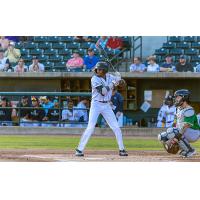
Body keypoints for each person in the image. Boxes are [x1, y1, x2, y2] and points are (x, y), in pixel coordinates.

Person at [75, 61, 128, 157]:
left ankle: (122, 149)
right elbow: (103, 91)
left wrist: (120, 80)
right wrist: (114, 82)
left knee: (116, 127)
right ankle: (79, 149)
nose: (97, 70)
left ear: (105, 70)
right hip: (96, 104)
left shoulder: (111, 77)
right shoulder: (94, 79)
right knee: (91, 127)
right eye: (97, 69)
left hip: (107, 105)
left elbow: (123, 85)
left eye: (100, 69)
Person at [158, 89, 200, 158]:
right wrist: (171, 134)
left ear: (184, 98)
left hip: (193, 132)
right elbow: (176, 122)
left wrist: (176, 136)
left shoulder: (189, 110)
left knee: (173, 132)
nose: (175, 99)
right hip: (185, 132)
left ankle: (190, 150)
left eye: (178, 97)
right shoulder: (178, 108)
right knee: (162, 136)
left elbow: (186, 126)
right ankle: (184, 149)